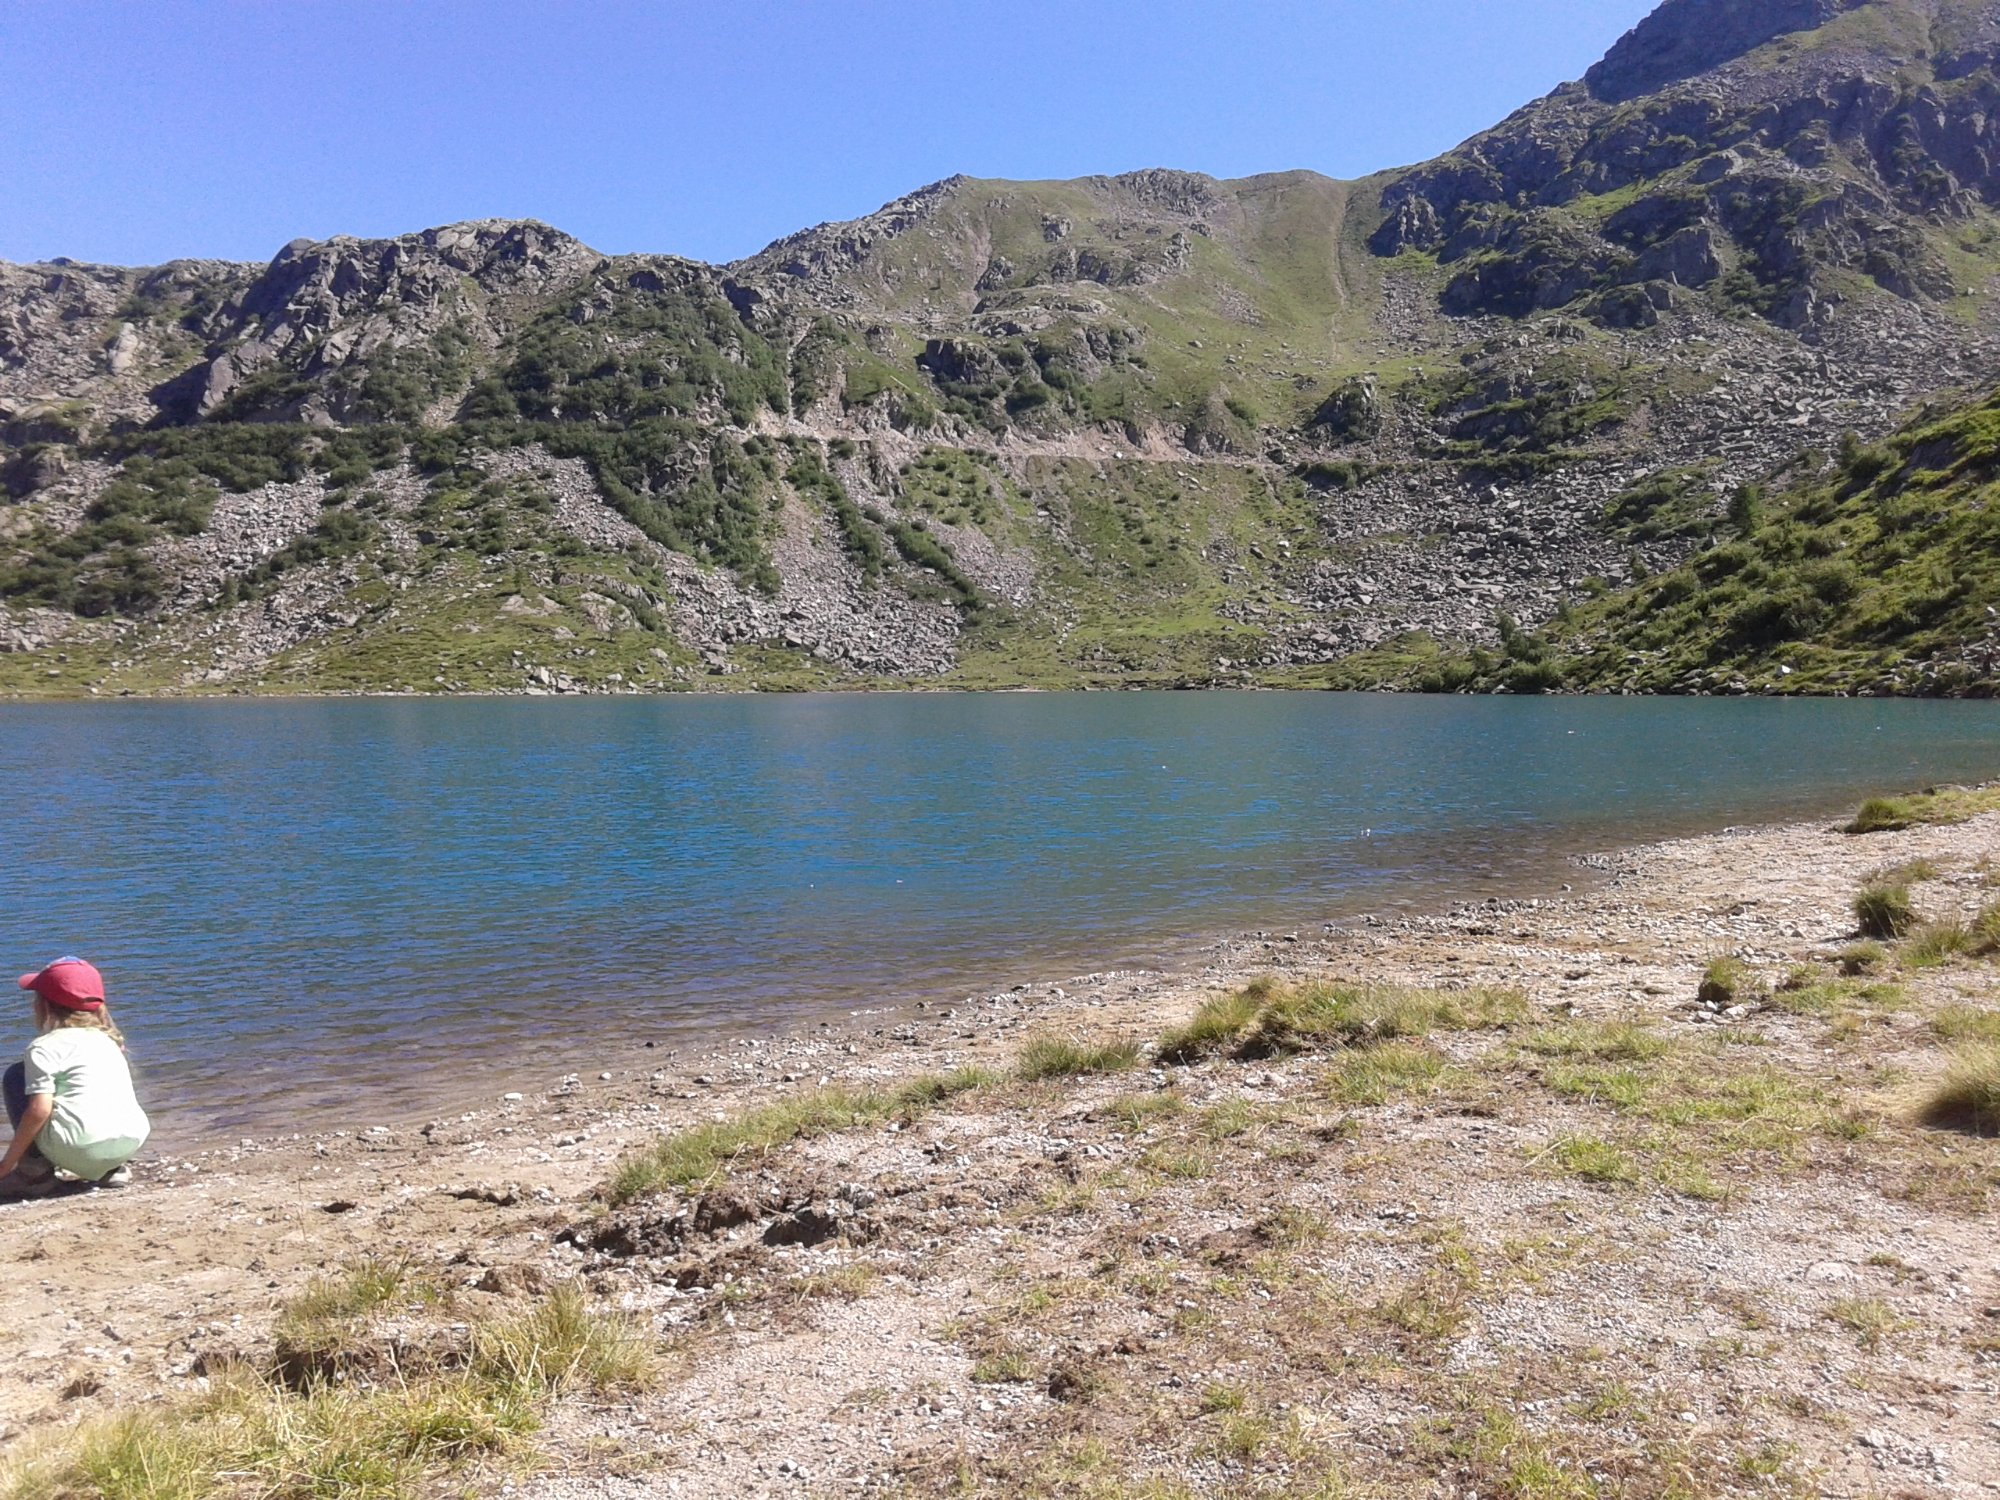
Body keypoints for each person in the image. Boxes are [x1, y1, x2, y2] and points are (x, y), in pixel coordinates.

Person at [0, 957, 150, 1199]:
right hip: (130, 1141)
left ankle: (33, 1174)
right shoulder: (110, 1041)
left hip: (79, 1146)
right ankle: (111, 1169)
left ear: (44, 1005)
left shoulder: (43, 1047)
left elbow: (39, 1111)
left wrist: (7, 1163)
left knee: (16, 1075)